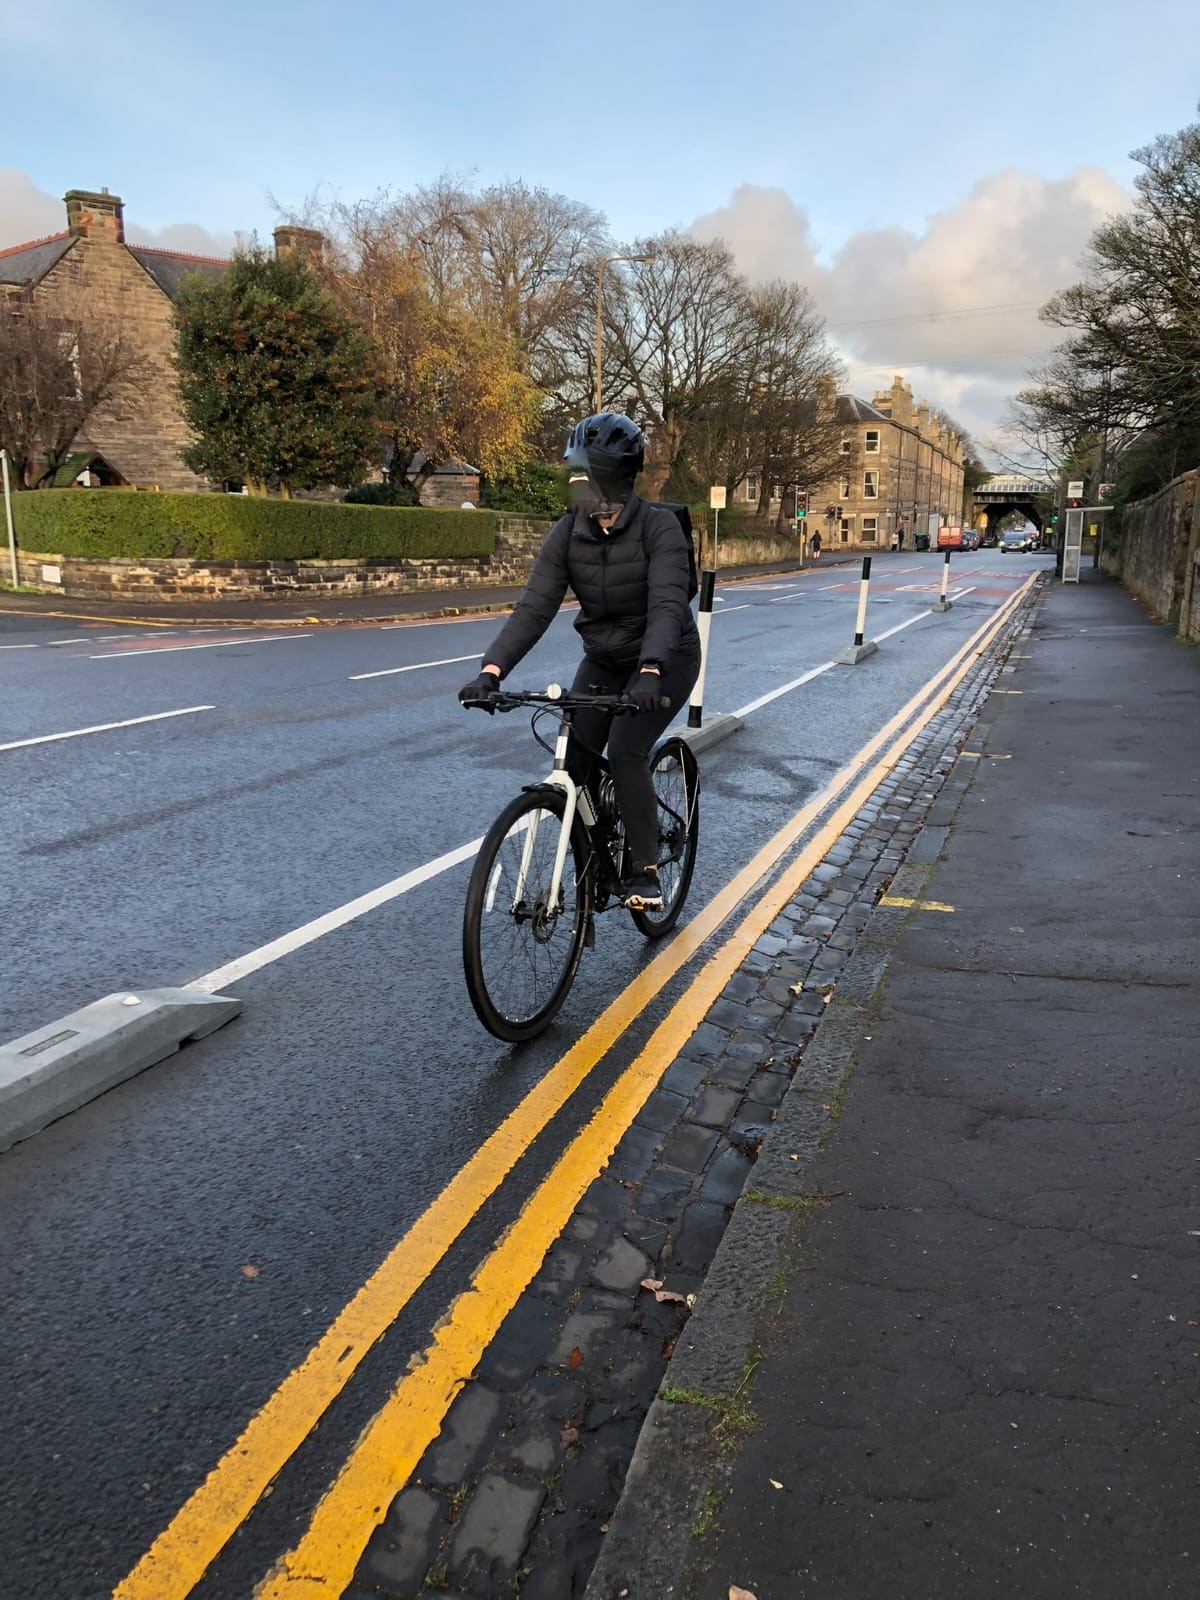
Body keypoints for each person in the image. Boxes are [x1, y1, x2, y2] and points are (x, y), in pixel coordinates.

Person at [459, 413, 700, 912]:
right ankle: (600, 848)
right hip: (606, 658)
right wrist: (492, 671)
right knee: (574, 761)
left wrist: (652, 668)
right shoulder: (568, 532)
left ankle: (646, 868)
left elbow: (668, 606)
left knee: (626, 748)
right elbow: (535, 606)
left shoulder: (660, 530)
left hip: (666, 658)